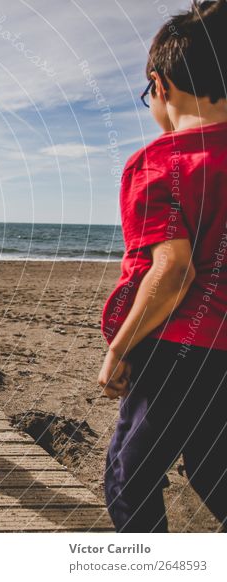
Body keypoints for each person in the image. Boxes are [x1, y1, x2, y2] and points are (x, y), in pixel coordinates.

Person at [98, 0, 227, 532]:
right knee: (210, 464)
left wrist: (120, 348)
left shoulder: (162, 163)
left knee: (129, 474)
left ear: (161, 85)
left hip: (180, 350)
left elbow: (172, 273)